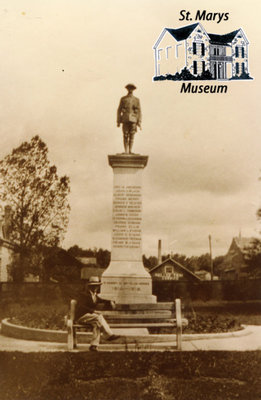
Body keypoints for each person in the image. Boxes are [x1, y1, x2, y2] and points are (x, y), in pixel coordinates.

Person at [75, 276, 120, 351]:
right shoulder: (84, 295)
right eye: (93, 286)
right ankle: (109, 335)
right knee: (98, 316)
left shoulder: (94, 295)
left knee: (97, 324)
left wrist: (110, 301)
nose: (95, 287)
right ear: (89, 286)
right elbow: (81, 307)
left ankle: (94, 346)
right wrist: (93, 311)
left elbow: (102, 300)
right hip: (81, 317)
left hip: (89, 317)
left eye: (96, 286)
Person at [117, 83, 142, 154]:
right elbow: (119, 110)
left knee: (132, 135)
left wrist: (139, 121)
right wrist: (118, 121)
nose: (130, 90)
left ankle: (130, 150)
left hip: (133, 119)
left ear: (133, 90)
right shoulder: (123, 99)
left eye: (132, 88)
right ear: (127, 89)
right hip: (125, 119)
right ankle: (126, 151)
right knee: (125, 135)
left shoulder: (136, 100)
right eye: (129, 88)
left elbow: (139, 111)